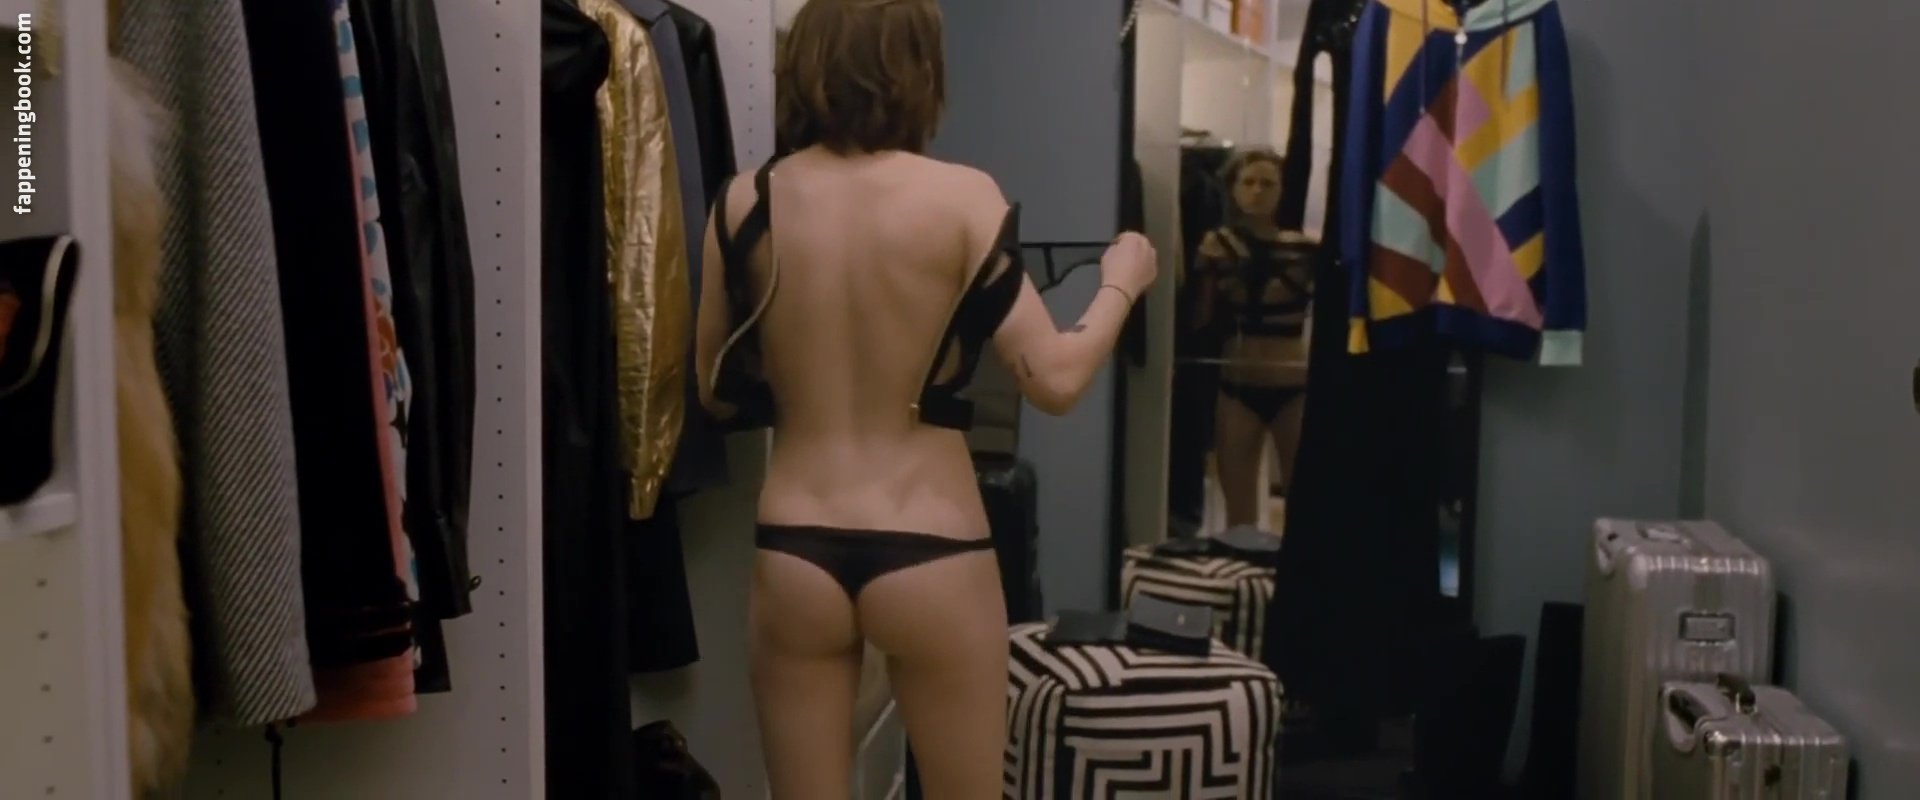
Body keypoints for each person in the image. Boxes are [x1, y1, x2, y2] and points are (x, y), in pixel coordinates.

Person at [693, 0, 1158, 796]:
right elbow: (1054, 380)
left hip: (796, 545)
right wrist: (1121, 282)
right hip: (932, 542)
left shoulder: (746, 201)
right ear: (919, 68)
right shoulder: (961, 197)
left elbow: (712, 390)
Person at [1193, 148, 1316, 528]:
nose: (1257, 192)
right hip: (1238, 384)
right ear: (1233, 189)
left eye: (1267, 183)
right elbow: (1199, 319)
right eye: (1248, 182)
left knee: (1304, 505)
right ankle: (1240, 566)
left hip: (1293, 385)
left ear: (1282, 190)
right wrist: (1206, 272)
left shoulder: (1306, 248)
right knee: (1239, 514)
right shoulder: (1216, 246)